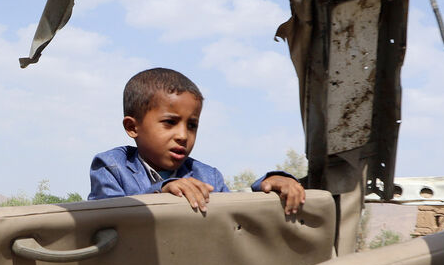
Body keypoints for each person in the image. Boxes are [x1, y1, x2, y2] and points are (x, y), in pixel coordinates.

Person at [88, 67, 305, 214]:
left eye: (192, 125)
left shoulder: (208, 176)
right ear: (132, 127)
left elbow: (235, 215)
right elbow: (108, 218)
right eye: (169, 122)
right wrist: (161, 193)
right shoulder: (111, 167)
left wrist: (268, 186)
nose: (183, 136)